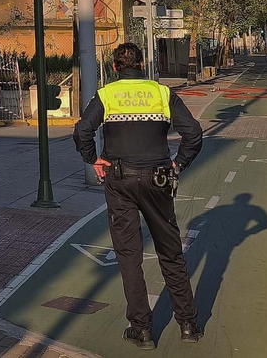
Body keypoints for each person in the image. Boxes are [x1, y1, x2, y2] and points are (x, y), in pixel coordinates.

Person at [73, 42, 205, 348]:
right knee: (170, 252)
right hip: (159, 179)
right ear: (143, 64)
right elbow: (194, 134)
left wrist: (93, 159)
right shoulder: (161, 93)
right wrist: (178, 163)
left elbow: (83, 131)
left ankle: (142, 329)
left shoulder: (107, 94)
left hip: (120, 181)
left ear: (115, 67)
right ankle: (188, 325)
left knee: (129, 256)